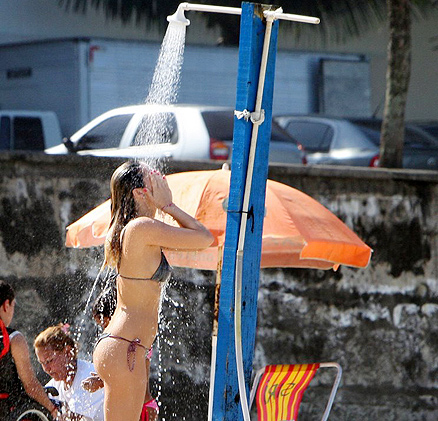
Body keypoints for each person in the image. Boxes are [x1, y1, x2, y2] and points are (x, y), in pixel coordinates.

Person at [93, 161, 213, 421]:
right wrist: (168, 206)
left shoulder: (135, 229)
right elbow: (204, 238)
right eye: (154, 178)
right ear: (139, 192)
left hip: (125, 348)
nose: (162, 181)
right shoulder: (140, 228)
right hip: (125, 349)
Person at [82, 284, 158, 421]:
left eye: (105, 324)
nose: (105, 329)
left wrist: (101, 381)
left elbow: (129, 377)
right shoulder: (137, 336)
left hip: (139, 408)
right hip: (144, 405)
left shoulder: (127, 342)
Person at [0, 280, 59, 420]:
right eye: (13, 306)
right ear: (6, 305)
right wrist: (53, 409)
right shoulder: (13, 339)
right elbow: (30, 385)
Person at [34, 324, 104, 421]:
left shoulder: (90, 377)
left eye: (49, 361)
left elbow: (72, 418)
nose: (46, 368)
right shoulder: (53, 386)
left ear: (68, 352)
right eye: (42, 363)